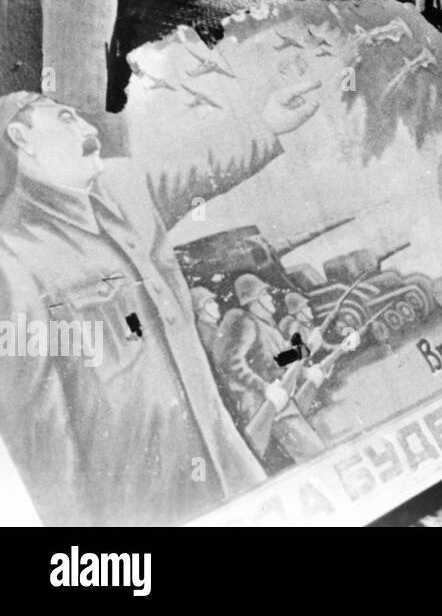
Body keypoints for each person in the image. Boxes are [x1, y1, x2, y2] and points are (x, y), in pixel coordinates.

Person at [0, 79, 320, 525]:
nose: (84, 125)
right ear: (22, 137)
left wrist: (266, 123)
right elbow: (41, 429)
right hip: (147, 504)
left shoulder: (126, 185)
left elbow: (201, 165)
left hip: (229, 470)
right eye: (65, 117)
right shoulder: (10, 255)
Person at [213, 272, 329, 470]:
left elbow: (279, 359)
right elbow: (232, 363)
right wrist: (265, 388)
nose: (270, 298)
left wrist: (308, 356)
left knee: (310, 454)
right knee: (312, 453)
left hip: (279, 398)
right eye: (265, 294)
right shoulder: (248, 324)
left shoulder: (266, 326)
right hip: (262, 403)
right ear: (255, 299)